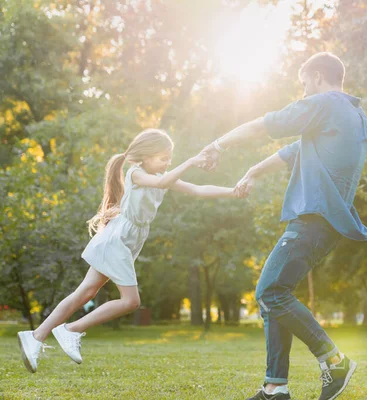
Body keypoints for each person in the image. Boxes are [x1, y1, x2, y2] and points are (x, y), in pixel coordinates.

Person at [198, 52, 367, 400]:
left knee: (269, 292)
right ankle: (275, 388)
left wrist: (217, 144)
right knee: (278, 293)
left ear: (319, 76)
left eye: (305, 81)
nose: (303, 89)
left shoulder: (324, 103)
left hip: (313, 219)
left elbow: (266, 125)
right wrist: (251, 172)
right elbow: (292, 151)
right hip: (324, 223)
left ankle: (334, 360)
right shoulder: (354, 116)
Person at [17, 128, 236, 373]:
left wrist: (233, 191)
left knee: (86, 292)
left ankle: (35, 336)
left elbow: (198, 189)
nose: (167, 163)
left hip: (125, 239)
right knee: (131, 301)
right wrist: (193, 161)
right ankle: (70, 329)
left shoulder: (162, 176)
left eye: (169, 159)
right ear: (145, 156)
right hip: (119, 239)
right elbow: (163, 181)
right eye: (163, 158)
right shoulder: (136, 174)